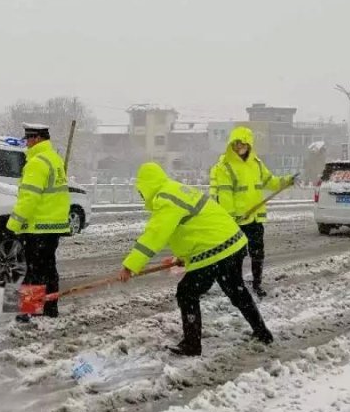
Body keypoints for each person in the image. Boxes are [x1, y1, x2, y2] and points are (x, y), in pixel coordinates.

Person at [119, 162, 274, 355]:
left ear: (146, 186)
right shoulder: (178, 190)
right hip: (232, 241)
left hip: (216, 249)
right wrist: (186, 257)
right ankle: (262, 332)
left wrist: (130, 265)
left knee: (187, 292)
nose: (141, 195)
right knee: (236, 290)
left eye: (140, 190)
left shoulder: (165, 198)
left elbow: (155, 234)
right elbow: (194, 228)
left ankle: (192, 345)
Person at [209, 126, 294, 298]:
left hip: (255, 218)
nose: (239, 147)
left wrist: (286, 181)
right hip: (237, 221)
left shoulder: (257, 164)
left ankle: (257, 283)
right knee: (236, 256)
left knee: (257, 252)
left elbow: (271, 181)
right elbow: (225, 195)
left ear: (249, 145)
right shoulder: (225, 166)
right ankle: (238, 287)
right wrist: (232, 217)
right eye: (236, 144)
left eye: (243, 144)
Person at [7, 123, 71, 322]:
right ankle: (51, 309)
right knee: (48, 268)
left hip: (38, 226)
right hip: (53, 225)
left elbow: (29, 198)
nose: (26, 143)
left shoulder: (36, 162)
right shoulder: (55, 159)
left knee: (32, 270)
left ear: (36, 139)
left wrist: (13, 225)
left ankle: (28, 311)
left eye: (28, 139)